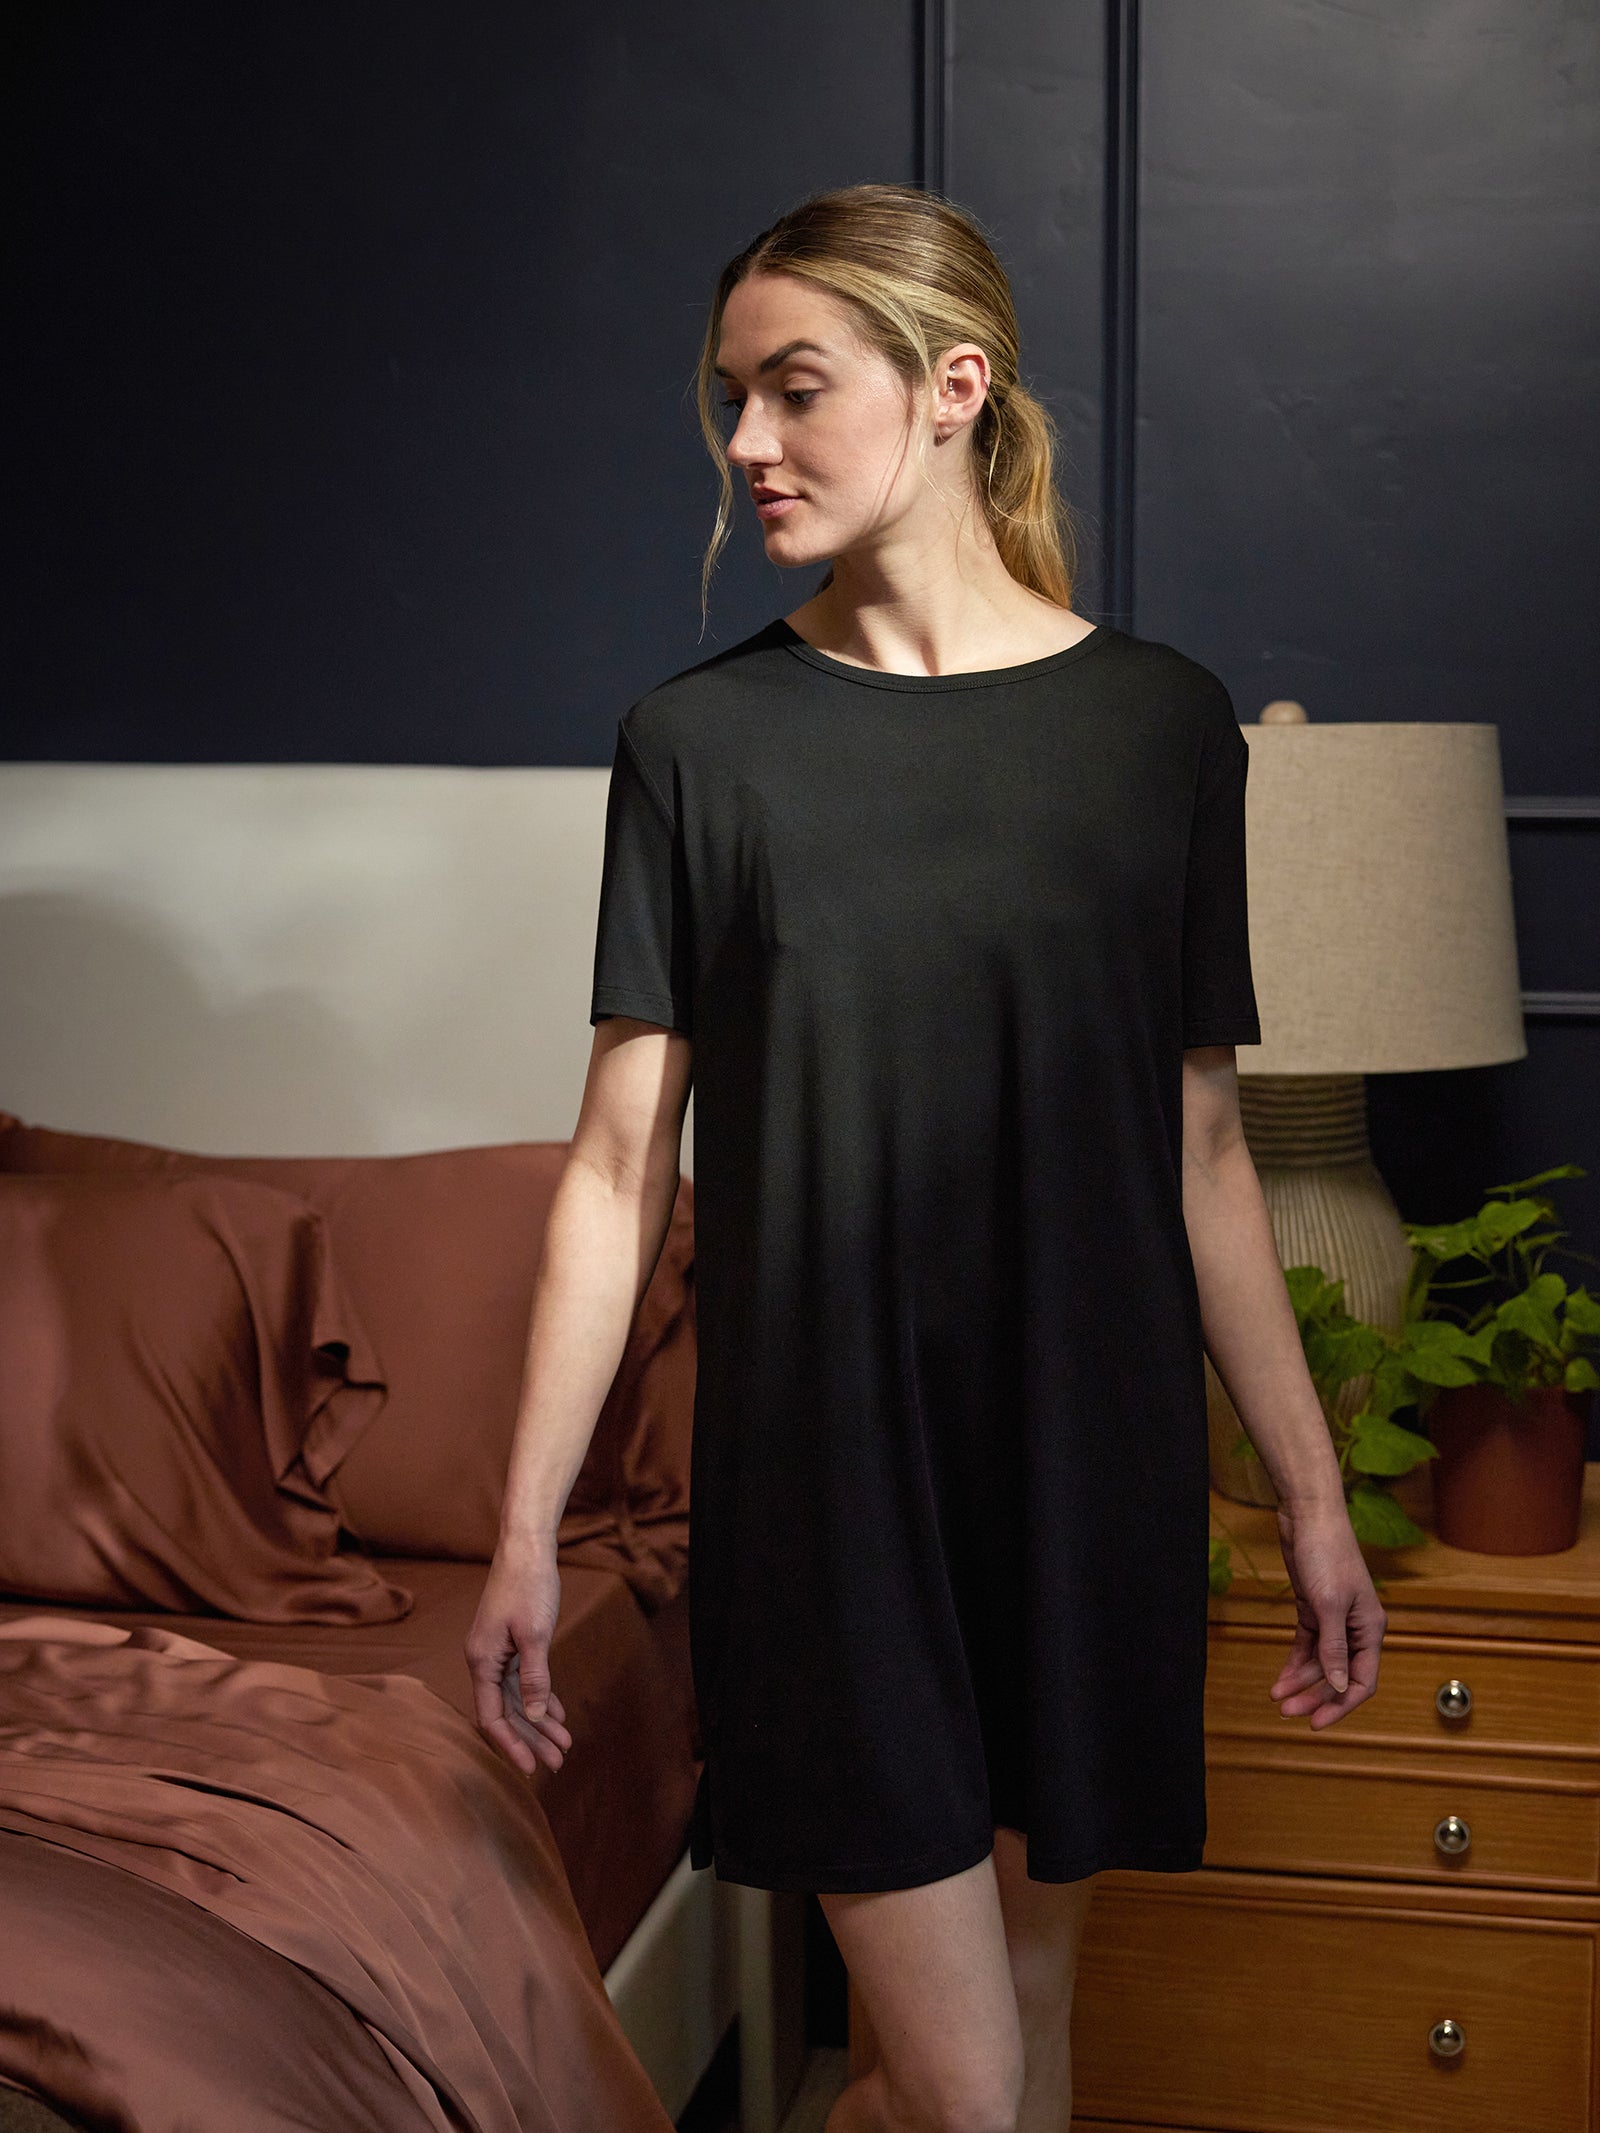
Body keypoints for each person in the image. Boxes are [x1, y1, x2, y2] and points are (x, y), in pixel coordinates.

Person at [468, 182, 1387, 2133]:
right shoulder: (701, 747)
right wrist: (528, 1521)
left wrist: (1303, 1491)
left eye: (792, 390)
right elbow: (616, 1171)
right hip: (826, 1492)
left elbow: (1199, 1149)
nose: (745, 444)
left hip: (1087, 1469)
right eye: (731, 398)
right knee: (963, 2091)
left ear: (949, 386)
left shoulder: (1157, 729)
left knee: (1009, 2049)